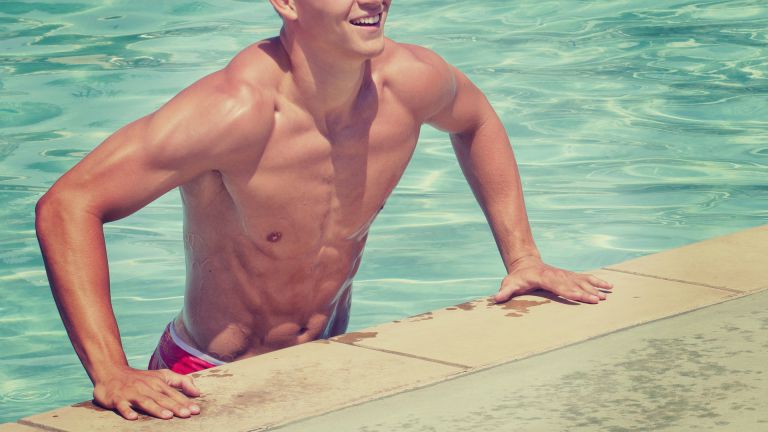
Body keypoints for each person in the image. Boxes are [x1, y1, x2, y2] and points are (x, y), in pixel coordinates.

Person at [35, 0, 613, 422]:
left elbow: (477, 120)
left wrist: (523, 257)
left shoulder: (410, 84)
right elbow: (68, 204)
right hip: (205, 377)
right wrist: (111, 371)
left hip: (326, 359)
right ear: (287, 3)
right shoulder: (234, 113)